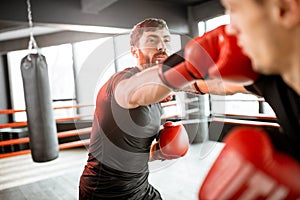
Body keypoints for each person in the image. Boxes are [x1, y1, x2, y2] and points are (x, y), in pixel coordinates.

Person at [79, 18, 190, 200]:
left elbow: (130, 156)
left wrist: (157, 153)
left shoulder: (156, 97)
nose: (162, 46)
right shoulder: (121, 83)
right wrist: (191, 67)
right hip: (105, 193)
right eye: (152, 40)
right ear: (134, 51)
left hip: (140, 187)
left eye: (166, 40)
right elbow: (138, 91)